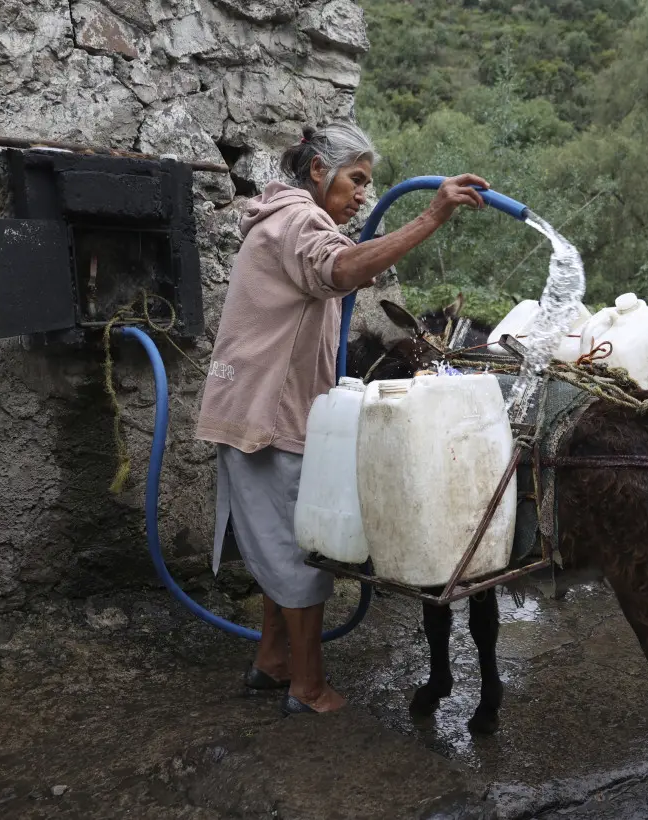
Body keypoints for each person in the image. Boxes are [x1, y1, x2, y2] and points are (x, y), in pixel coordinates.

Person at [195, 120, 490, 715]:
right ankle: (307, 686)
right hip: (268, 416)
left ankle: (274, 661)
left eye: (367, 184)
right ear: (316, 170)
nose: (362, 194)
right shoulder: (299, 220)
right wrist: (431, 217)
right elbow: (343, 270)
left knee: (281, 548)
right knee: (302, 554)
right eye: (356, 179)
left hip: (257, 409)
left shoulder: (279, 219)